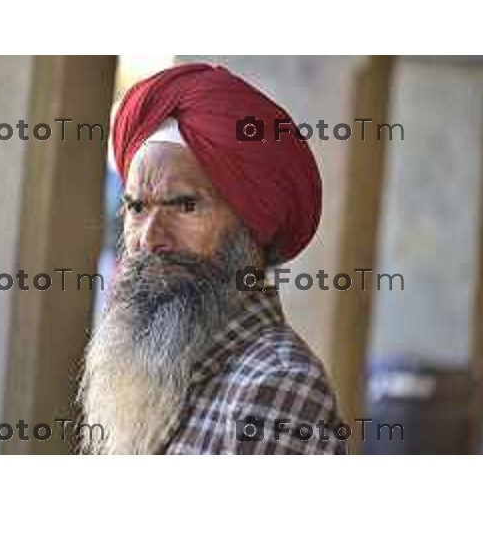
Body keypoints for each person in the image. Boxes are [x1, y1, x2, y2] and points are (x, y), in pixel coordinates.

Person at [79, 63, 347, 454]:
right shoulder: (156, 370)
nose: (149, 238)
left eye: (185, 205)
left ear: (251, 228)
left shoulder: (276, 385)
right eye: (137, 207)